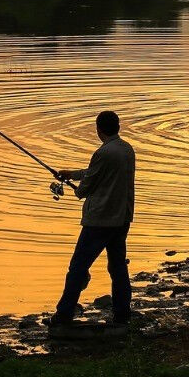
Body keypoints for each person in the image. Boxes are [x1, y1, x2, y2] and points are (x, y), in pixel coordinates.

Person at [50, 110, 135, 329]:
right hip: (122, 218)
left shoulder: (103, 152)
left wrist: (78, 188)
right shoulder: (126, 149)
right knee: (117, 267)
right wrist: (72, 174)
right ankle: (123, 313)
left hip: (99, 221)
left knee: (78, 267)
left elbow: (84, 189)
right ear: (118, 127)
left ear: (99, 129)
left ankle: (64, 314)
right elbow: (98, 171)